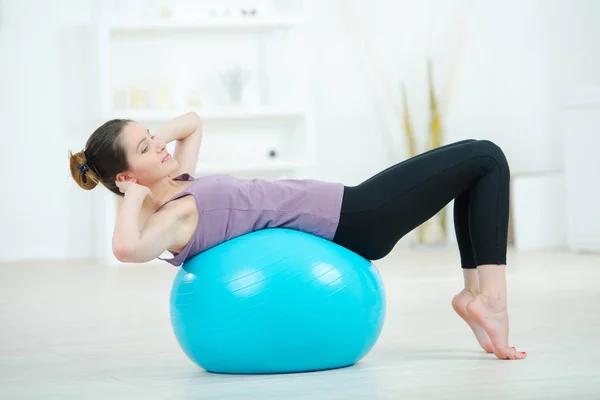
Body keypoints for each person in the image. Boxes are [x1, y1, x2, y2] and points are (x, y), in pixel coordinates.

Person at [69, 112, 526, 361]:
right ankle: (494, 302)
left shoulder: (180, 182)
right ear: (128, 175)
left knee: (476, 167)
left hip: (350, 205)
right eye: (147, 148)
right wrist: (129, 197)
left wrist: (154, 141)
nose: (161, 145)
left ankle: (474, 295)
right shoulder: (172, 217)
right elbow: (126, 250)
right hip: (356, 219)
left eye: (152, 136)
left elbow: (191, 122)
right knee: (486, 157)